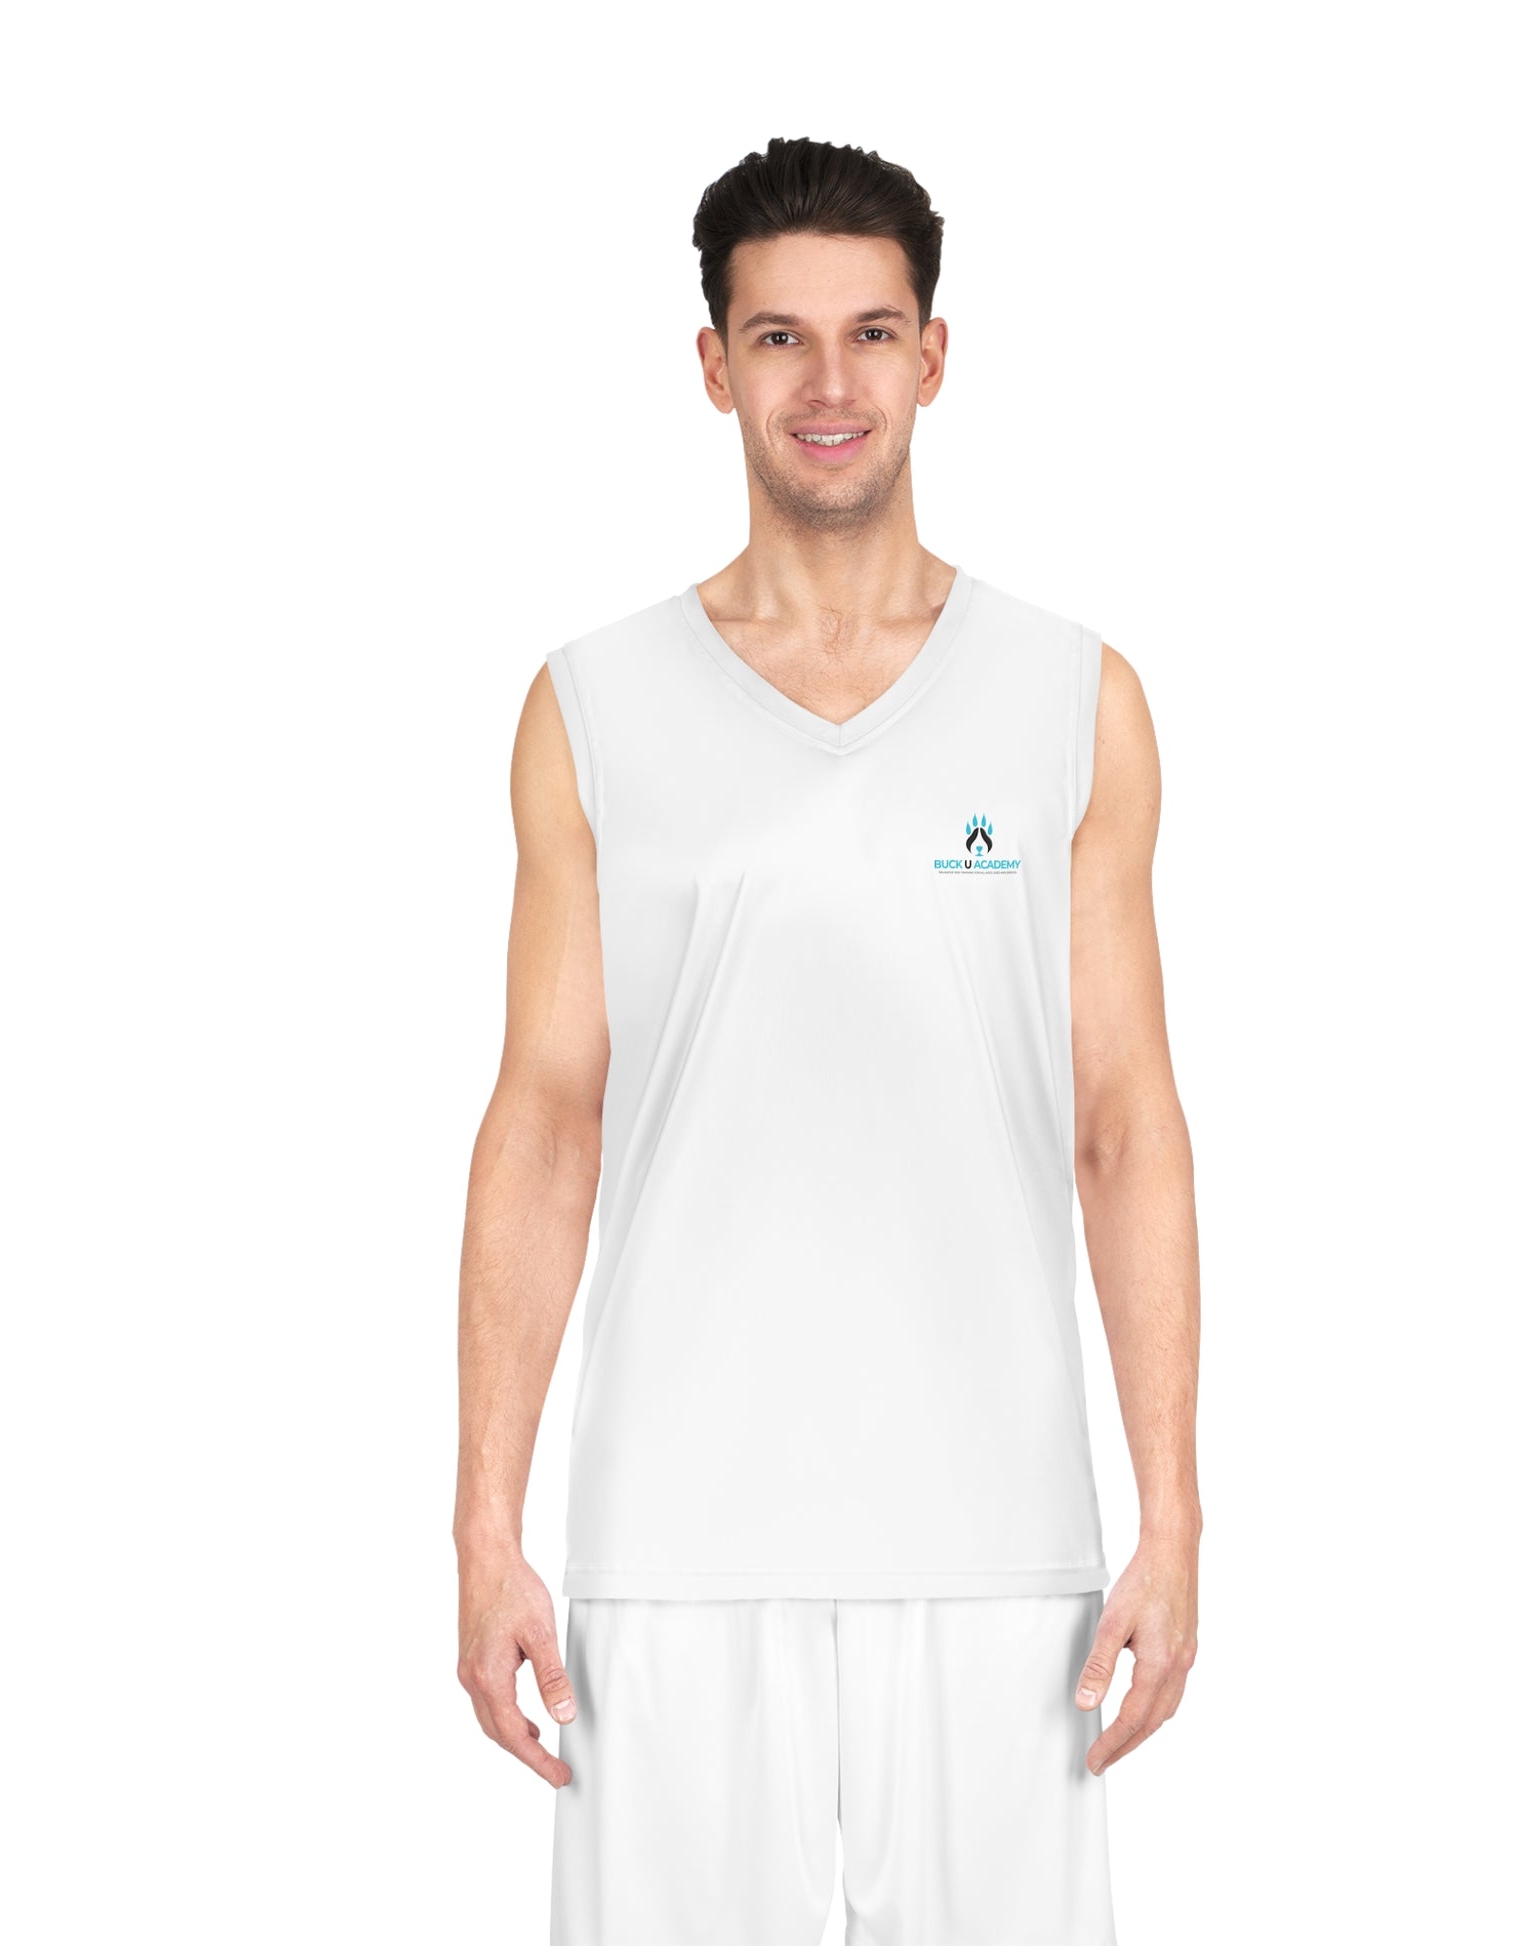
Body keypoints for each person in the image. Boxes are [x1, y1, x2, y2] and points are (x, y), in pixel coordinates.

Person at [453, 135, 1202, 1946]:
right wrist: (484, 1524)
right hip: (673, 1554)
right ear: (713, 365)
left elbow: (1124, 1120)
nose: (829, 382)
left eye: (869, 331)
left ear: (933, 356)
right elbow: (544, 1120)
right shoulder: (592, 704)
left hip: (1001, 1554)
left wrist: (1171, 1514)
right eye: (778, 337)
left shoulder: (1070, 696)